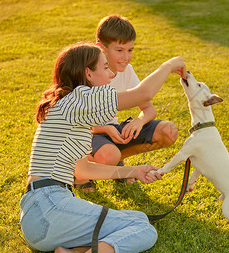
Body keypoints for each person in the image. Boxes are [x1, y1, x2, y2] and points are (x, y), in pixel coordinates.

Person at [20, 41, 187, 253]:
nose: (112, 74)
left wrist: (133, 170)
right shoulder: (80, 96)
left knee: (137, 218)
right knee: (143, 228)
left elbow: (83, 170)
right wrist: (171, 64)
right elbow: (142, 95)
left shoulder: (69, 105)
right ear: (88, 73)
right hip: (50, 206)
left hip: (39, 215)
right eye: (105, 67)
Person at [74, 15, 179, 191]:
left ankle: (116, 165)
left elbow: (148, 109)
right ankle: (80, 174)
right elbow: (73, 124)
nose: (126, 57)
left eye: (130, 50)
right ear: (102, 48)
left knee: (168, 132)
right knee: (110, 155)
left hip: (114, 132)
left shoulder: (127, 71)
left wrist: (139, 121)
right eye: (120, 50)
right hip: (88, 134)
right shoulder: (87, 74)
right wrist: (106, 128)